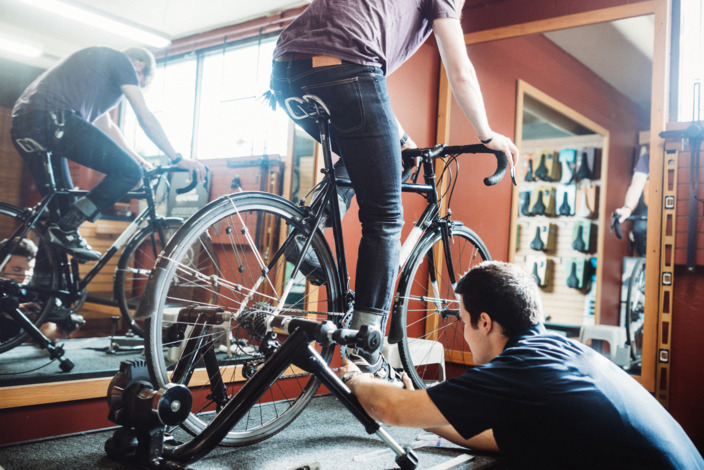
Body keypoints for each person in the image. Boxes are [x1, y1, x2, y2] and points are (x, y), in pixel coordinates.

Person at [269, 0, 519, 382]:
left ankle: (308, 229)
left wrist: (399, 137)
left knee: (396, 151)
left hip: (286, 70)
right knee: (385, 218)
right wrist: (488, 136)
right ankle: (366, 346)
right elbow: (461, 70)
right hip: (348, 67)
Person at [338, 261, 704, 469]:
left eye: (463, 321)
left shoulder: (520, 369)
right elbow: (495, 439)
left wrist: (355, 374)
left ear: (485, 322)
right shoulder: (558, 350)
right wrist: (425, 405)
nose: (463, 332)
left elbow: (387, 407)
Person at [11, 46, 207, 262]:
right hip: (54, 119)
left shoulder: (97, 72)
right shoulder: (122, 61)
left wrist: (140, 162)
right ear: (140, 66)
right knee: (127, 173)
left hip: (24, 126)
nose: (136, 84)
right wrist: (176, 158)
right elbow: (145, 117)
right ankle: (68, 226)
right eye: (140, 82)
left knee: (60, 218)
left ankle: (47, 287)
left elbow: (108, 127)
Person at [0, 238, 82, 343]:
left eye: (29, 269)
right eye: (17, 270)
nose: (24, 276)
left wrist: (56, 333)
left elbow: (41, 333)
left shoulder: (32, 294)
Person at [614, 151, 649, 256]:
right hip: (653, 205)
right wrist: (627, 208)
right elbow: (636, 185)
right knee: (640, 228)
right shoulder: (646, 158)